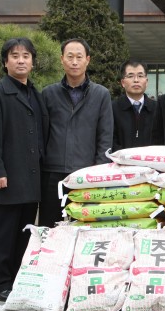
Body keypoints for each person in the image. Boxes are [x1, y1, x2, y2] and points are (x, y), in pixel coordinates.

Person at [0, 37, 48, 302]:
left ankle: (18, 281)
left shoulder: (35, 94)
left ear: (32, 62)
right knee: (2, 233)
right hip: (6, 178)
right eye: (15, 56)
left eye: (26, 56)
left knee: (24, 233)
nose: (21, 60)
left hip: (31, 179)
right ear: (5, 62)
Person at [40, 38, 114, 227]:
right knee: (50, 227)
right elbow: (41, 134)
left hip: (86, 173)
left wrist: (99, 172)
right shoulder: (49, 94)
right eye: (69, 57)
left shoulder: (101, 94)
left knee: (84, 226)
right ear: (61, 60)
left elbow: (105, 136)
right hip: (53, 173)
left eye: (79, 57)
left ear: (87, 60)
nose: (74, 62)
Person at [111, 59, 159, 151]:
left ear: (146, 81)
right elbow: (110, 140)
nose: (136, 80)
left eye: (140, 76)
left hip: (151, 163)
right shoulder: (112, 108)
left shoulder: (157, 108)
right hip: (121, 162)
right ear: (123, 83)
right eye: (130, 76)